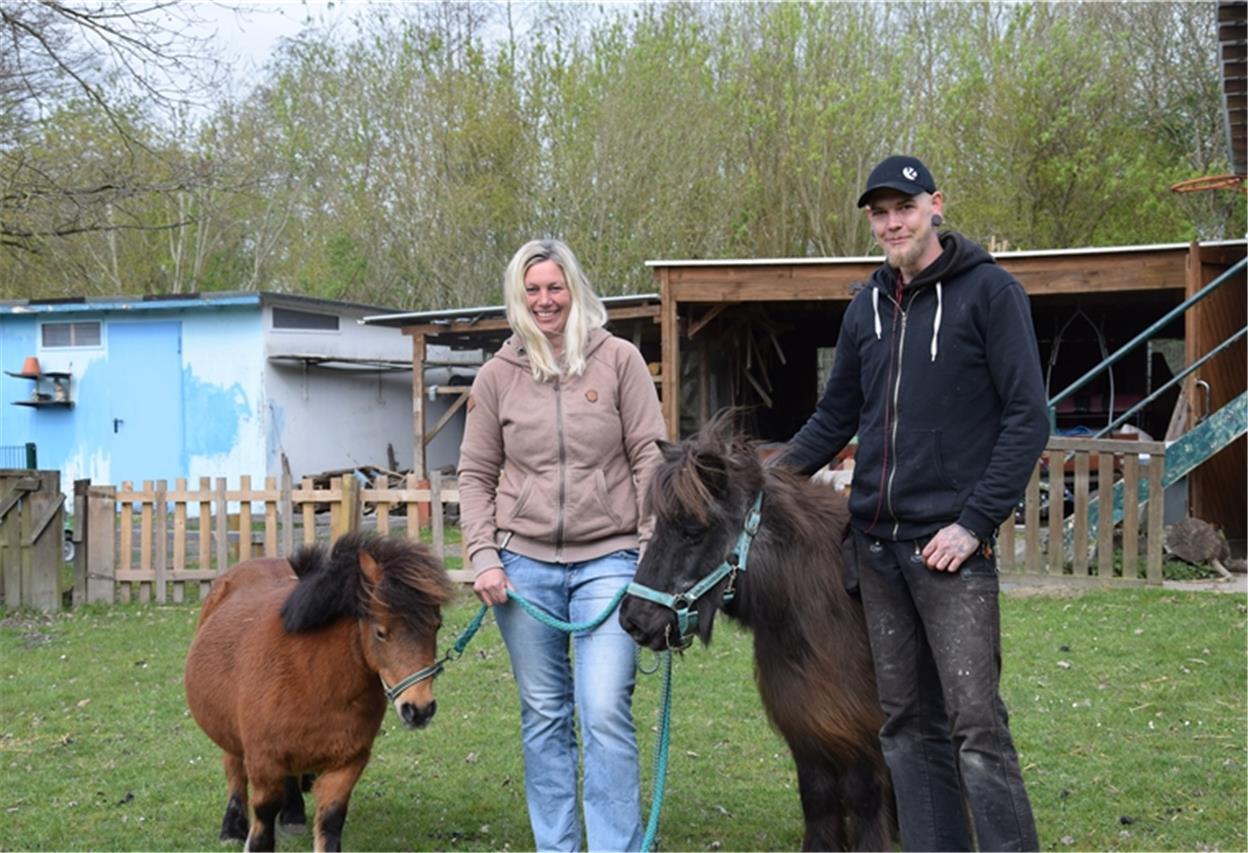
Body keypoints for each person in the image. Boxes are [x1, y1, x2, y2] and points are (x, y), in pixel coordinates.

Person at [774, 155, 1047, 851]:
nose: (892, 221)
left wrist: (973, 522)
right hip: (876, 551)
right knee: (905, 726)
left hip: (950, 555)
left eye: (905, 206)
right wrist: (765, 480)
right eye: (879, 211)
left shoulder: (990, 293)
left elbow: (1027, 417)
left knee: (975, 726)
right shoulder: (865, 305)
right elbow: (835, 417)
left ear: (936, 205)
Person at [457, 238, 666, 852]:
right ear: (518, 299)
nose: (546, 300)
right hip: (523, 569)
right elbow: (474, 475)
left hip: (610, 560)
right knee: (545, 716)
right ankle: (558, 846)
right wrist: (484, 556)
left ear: (574, 289)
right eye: (533, 290)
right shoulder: (497, 376)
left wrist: (649, 551)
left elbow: (650, 458)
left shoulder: (619, 360)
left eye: (555, 287)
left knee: (602, 710)